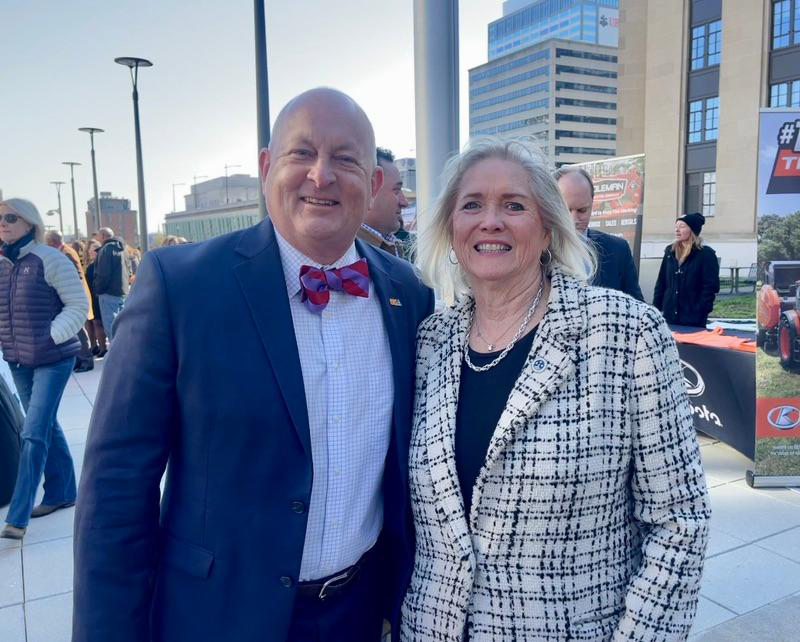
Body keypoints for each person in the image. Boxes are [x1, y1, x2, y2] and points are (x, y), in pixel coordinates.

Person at [73, 88, 434, 642]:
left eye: (345, 158)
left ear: (375, 183)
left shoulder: (406, 292)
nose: (321, 175)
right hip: (218, 617)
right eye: (302, 154)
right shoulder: (182, 285)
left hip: (358, 615)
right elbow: (118, 489)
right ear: (267, 167)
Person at [401, 138, 711, 640]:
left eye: (514, 205)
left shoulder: (625, 331)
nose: (491, 220)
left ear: (547, 227)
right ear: (451, 230)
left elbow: (681, 521)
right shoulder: (430, 342)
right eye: (472, 204)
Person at [0, 199, 88, 540]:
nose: (3, 223)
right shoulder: (4, 265)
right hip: (18, 359)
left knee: (33, 432)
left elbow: (77, 305)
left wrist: (49, 336)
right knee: (46, 424)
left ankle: (18, 517)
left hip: (53, 358)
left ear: (30, 223)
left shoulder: (49, 259)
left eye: (11, 217)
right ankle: (63, 492)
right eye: (0, 218)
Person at [555, 166, 643, 301]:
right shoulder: (537, 251)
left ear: (592, 203)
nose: (574, 220)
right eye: (567, 210)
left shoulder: (617, 249)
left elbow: (637, 306)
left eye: (582, 210)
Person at [653, 212, 720, 328]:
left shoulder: (705, 254)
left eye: (682, 226)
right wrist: (655, 310)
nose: (677, 230)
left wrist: (701, 311)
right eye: (676, 227)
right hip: (669, 318)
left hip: (693, 320)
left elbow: (710, 287)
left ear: (692, 230)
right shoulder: (670, 252)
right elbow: (661, 282)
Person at [45, 230, 95, 372]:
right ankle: (80, 359)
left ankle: (86, 360)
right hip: (70, 298)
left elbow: (76, 276)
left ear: (51, 242)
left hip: (74, 299)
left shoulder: (66, 253)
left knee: (78, 330)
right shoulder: (65, 251)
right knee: (74, 330)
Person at [357, 147, 409, 257]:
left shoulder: (390, 247)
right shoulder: (351, 257)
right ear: (372, 188)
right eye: (396, 190)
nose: (404, 202)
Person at [92, 227, 129, 340]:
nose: (96, 238)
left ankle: (117, 355)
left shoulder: (106, 249)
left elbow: (103, 274)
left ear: (103, 236)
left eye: (98, 235)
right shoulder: (123, 248)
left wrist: (97, 289)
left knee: (111, 328)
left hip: (108, 293)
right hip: (122, 292)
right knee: (122, 327)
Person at [83, 240, 107, 358]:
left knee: (98, 323)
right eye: (92, 250)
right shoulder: (90, 266)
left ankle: (103, 348)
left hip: (96, 297)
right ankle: (94, 346)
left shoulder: (98, 266)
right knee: (92, 322)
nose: (94, 252)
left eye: (96, 249)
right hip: (90, 297)